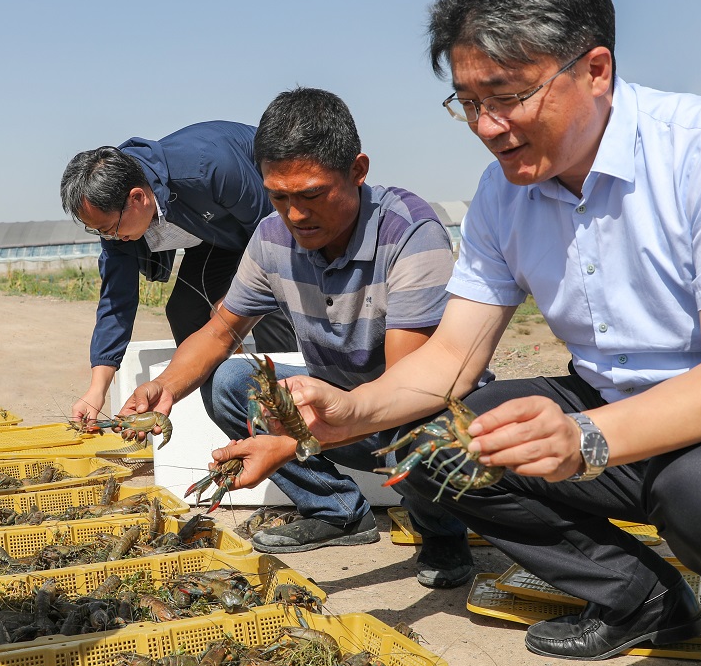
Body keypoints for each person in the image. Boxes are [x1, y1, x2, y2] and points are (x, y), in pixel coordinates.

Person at [236, 0, 701, 666]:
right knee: (434, 447)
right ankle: (643, 599)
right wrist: (344, 412)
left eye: (508, 96)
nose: (487, 127)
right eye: (466, 101)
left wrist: (587, 439)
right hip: (612, 405)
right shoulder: (505, 193)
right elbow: (453, 358)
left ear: (595, 69)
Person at [122, 88, 472, 584]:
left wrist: (291, 439)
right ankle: (339, 513)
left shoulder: (408, 232)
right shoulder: (271, 238)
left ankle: (444, 533)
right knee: (229, 380)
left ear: (358, 170)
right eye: (279, 197)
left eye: (311, 194)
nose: (296, 214)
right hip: (335, 400)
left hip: (412, 403)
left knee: (415, 425)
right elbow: (220, 331)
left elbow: (407, 387)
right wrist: (167, 389)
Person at [59, 121, 297, 426]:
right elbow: (116, 302)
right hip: (215, 235)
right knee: (185, 311)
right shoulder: (116, 223)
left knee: (269, 306)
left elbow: (273, 232)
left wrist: (239, 293)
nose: (111, 237)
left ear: (137, 198)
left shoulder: (208, 166)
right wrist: (97, 389)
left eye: (111, 229)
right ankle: (234, 409)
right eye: (100, 231)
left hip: (264, 221)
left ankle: (289, 411)